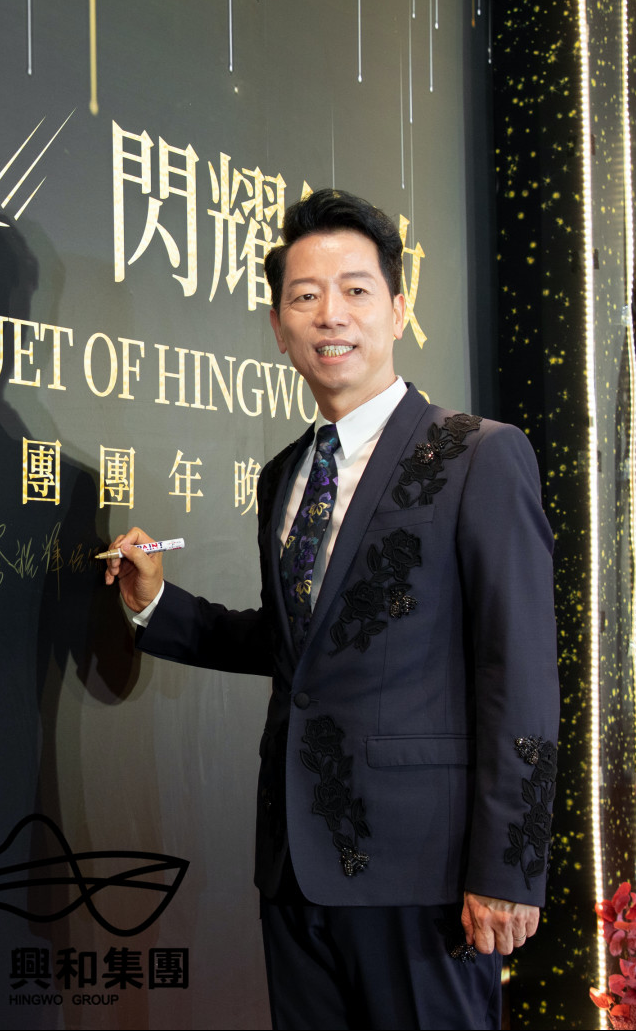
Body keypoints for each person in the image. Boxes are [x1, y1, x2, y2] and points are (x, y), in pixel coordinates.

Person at [104, 189, 559, 1030]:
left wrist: (509, 866)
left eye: (355, 290)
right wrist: (157, 604)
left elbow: (520, 669)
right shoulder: (285, 475)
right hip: (294, 866)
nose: (330, 315)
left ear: (399, 308)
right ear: (279, 328)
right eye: (305, 296)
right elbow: (298, 648)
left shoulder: (477, 455)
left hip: (424, 875)